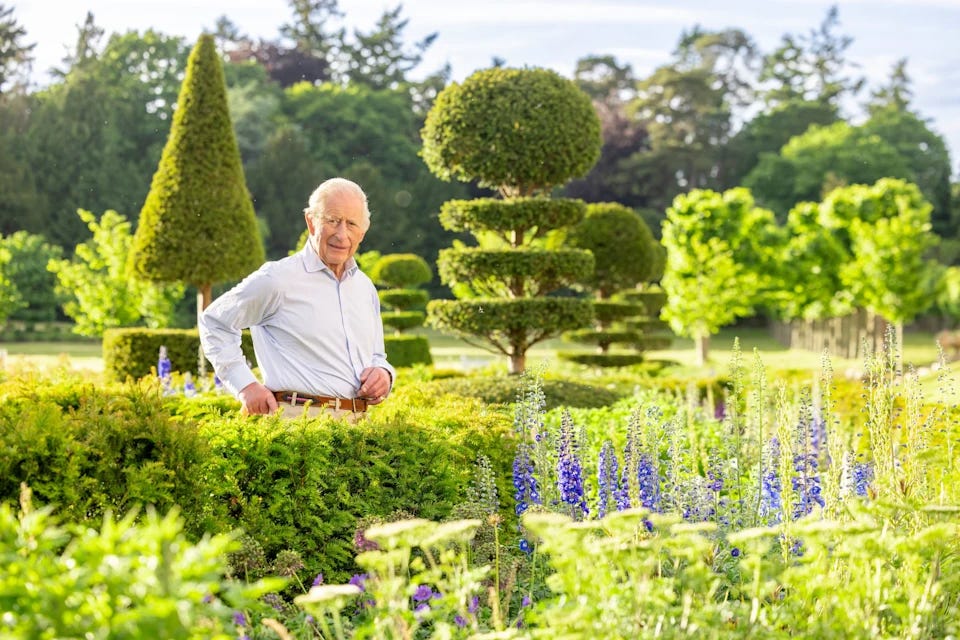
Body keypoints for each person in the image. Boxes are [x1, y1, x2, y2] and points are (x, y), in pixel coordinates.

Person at [199, 177, 395, 420]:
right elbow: (214, 321)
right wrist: (245, 386)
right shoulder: (278, 279)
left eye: (352, 224)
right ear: (311, 221)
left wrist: (384, 374)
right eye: (332, 220)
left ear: (362, 232)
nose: (342, 234)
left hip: (359, 423)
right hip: (295, 421)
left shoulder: (365, 288)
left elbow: (377, 355)